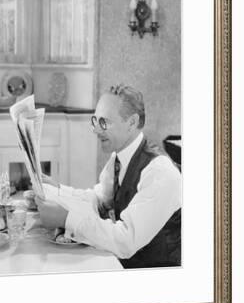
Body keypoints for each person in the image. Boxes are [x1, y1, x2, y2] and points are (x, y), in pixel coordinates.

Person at [33, 84, 182, 269]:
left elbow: (126, 240)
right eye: (95, 121)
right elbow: (99, 199)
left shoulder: (160, 173)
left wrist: (66, 219)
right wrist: (56, 190)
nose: (95, 130)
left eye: (104, 122)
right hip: (127, 266)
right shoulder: (118, 158)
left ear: (131, 122)